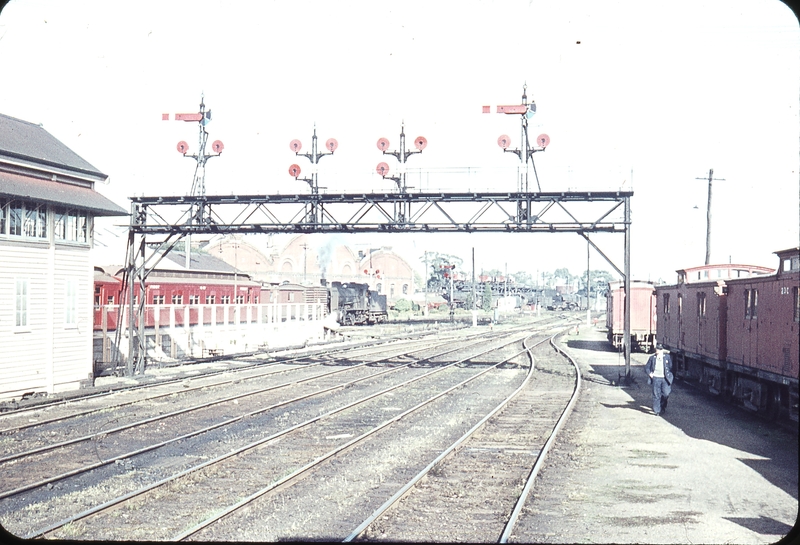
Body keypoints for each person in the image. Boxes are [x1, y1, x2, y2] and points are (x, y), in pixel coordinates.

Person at [645, 343, 674, 416]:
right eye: (657, 349)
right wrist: (650, 374)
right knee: (656, 394)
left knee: (666, 394)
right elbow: (647, 367)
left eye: (659, 349)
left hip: (665, 378)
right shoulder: (652, 358)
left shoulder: (667, 357)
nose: (658, 350)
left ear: (662, 350)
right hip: (656, 378)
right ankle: (657, 410)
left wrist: (669, 375)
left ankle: (662, 406)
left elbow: (670, 366)